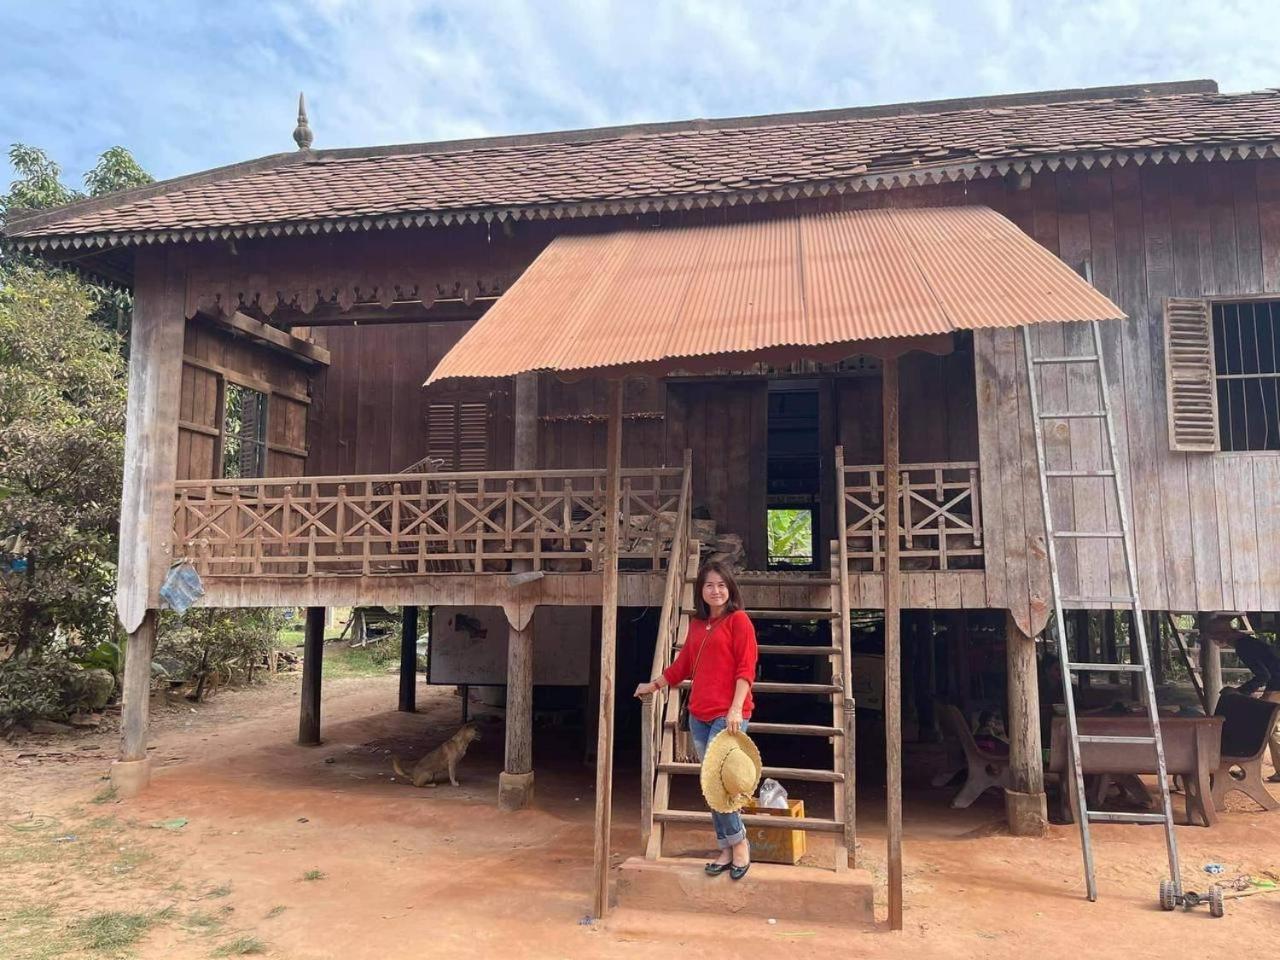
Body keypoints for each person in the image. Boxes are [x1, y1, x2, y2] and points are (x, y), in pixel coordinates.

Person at [634, 559, 759, 878]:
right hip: (699, 714)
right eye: (709, 585)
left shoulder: (739, 621)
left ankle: (739, 843)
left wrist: (734, 708)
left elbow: (746, 670)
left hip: (728, 715)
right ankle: (726, 846)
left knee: (723, 783)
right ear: (700, 591)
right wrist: (654, 685)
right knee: (712, 786)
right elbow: (683, 666)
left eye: (721, 585)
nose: (715, 591)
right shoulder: (696, 625)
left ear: (730, 588)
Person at [1203, 614, 1280, 782]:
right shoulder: (1248, 642)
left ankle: (1250, 769)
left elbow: (1263, 676)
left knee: (1266, 727)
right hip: (1275, 683)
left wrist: (1241, 691)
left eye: (1215, 637)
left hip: (1277, 685)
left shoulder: (1244, 646)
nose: (1215, 641)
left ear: (1223, 635)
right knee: (1271, 729)